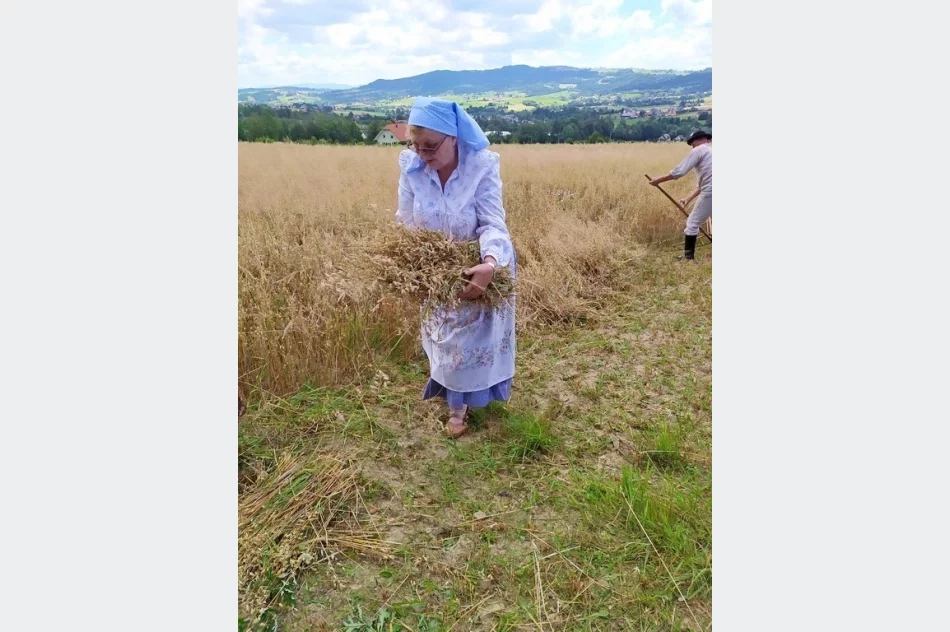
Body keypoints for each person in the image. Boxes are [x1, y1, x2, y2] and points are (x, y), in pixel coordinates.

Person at [394, 98, 517, 439]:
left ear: (453, 137)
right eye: (415, 146)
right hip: (435, 270)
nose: (423, 155)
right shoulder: (411, 167)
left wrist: (490, 264)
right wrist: (410, 262)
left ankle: (459, 407)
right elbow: (405, 222)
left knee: (469, 341)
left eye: (431, 147)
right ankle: (451, 392)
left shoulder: (482, 166)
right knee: (445, 340)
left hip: (478, 265)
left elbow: (493, 224)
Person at [649, 130, 712, 261]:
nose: (692, 146)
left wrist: (658, 180)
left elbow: (679, 171)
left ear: (697, 140)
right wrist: (687, 199)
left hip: (711, 191)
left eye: (692, 143)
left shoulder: (698, 150)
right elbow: (702, 185)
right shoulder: (711, 152)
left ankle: (688, 259)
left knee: (692, 223)